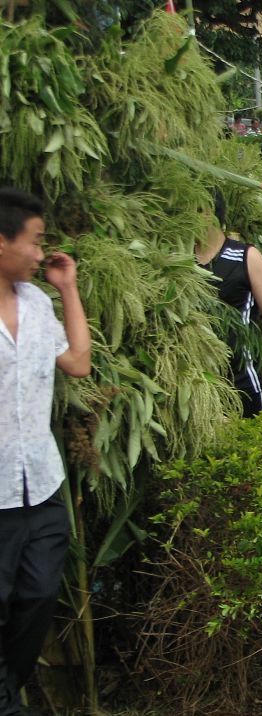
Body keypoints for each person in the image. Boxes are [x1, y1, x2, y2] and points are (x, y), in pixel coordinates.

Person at [1, 187, 91, 715]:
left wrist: (68, 288)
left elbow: (78, 363)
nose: (40, 253)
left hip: (42, 486)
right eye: (33, 242)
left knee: (36, 599)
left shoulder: (37, 303)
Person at [196, 191, 262, 418]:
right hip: (200, 388)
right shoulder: (180, 261)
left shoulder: (245, 257)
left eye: (195, 209)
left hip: (244, 382)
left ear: (210, 213)